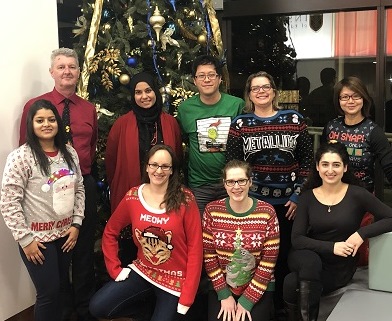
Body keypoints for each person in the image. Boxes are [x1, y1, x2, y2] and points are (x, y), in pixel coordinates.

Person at [19, 48, 98, 321]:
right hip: (47, 190)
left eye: (72, 67)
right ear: (51, 72)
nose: (67, 71)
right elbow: (26, 147)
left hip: (82, 185)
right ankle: (63, 311)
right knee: (57, 253)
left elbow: (93, 145)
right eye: (61, 67)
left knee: (83, 250)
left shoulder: (88, 108)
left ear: (78, 72)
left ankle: (84, 309)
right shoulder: (35, 106)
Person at [226, 71, 313, 319]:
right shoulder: (241, 124)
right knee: (256, 256)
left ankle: (282, 307)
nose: (261, 91)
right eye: (255, 88)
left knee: (284, 255)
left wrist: (297, 196)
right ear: (249, 94)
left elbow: (307, 162)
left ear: (274, 91)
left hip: (287, 204)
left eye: (266, 87)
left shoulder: (294, 119)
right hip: (253, 205)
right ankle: (259, 304)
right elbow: (233, 165)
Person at [89, 144, 203, 321]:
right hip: (143, 272)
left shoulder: (185, 199)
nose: (159, 170)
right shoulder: (134, 196)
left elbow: (196, 248)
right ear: (147, 167)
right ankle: (145, 310)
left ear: (172, 170)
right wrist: (115, 270)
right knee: (98, 307)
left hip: (174, 281)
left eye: (165, 166)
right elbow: (110, 232)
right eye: (154, 165)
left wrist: (187, 297)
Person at [283, 142, 392, 321]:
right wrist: (332, 247)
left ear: (345, 167)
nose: (330, 170)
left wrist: (361, 234)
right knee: (310, 264)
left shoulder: (357, 194)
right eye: (325, 164)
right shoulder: (307, 197)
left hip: (339, 265)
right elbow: (297, 239)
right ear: (317, 167)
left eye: (336, 164)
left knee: (290, 283)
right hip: (307, 253)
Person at [1, 99, 85, 321]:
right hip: (37, 241)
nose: (46, 124)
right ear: (31, 124)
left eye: (50, 119)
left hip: (66, 236)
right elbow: (9, 201)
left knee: (60, 290)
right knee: (48, 295)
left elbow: (79, 190)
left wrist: (76, 224)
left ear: (57, 123)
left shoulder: (69, 152)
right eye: (40, 120)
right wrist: (25, 239)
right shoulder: (20, 157)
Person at [202, 160, 280, 321]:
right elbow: (209, 257)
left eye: (241, 181)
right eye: (230, 182)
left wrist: (247, 300)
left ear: (250, 182)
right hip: (221, 285)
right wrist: (224, 295)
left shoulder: (267, 212)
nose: (236, 187)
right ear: (224, 184)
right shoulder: (212, 211)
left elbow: (268, 262)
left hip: (259, 285)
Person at [105, 71, 182, 214]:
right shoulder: (121, 125)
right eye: (138, 92)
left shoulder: (171, 123)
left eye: (148, 91)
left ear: (155, 92)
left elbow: (177, 158)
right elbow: (111, 163)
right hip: (130, 193)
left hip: (165, 194)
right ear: (133, 97)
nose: (144, 96)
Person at [177, 55, 245, 215]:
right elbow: (183, 140)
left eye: (211, 75)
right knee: (200, 233)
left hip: (231, 183)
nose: (206, 80)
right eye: (201, 76)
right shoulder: (185, 109)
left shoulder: (236, 105)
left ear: (220, 78)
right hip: (199, 186)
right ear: (194, 80)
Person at [322, 76, 392, 192]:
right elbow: (321, 161)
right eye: (345, 97)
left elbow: (389, 166)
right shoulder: (330, 127)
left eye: (356, 96)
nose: (350, 101)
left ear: (363, 98)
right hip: (331, 193)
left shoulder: (373, 131)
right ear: (338, 101)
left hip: (361, 197)